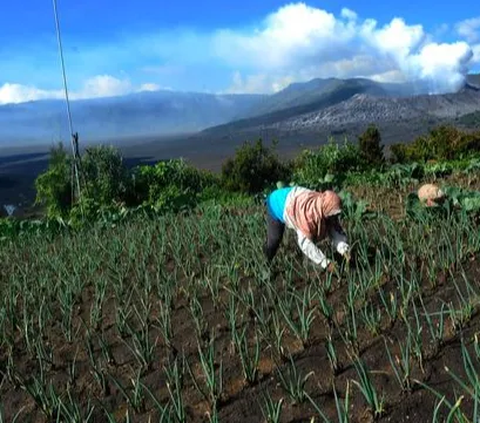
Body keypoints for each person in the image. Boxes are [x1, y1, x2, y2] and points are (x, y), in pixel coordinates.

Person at [264, 186, 351, 272]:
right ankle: (266, 263)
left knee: (318, 232)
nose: (335, 218)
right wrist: (326, 264)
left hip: (294, 195)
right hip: (276, 203)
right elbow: (305, 243)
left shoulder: (324, 206)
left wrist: (345, 250)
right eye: (333, 215)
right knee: (275, 239)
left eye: (336, 215)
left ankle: (307, 261)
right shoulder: (308, 217)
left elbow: (334, 231)